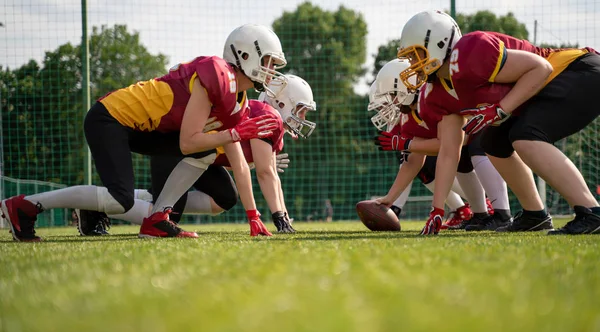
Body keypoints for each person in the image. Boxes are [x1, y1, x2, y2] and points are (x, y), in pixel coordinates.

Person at [1, 24, 285, 241]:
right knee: (119, 199)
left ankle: (157, 218)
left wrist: (253, 215)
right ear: (245, 55)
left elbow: (235, 161)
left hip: (144, 128)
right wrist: (234, 134)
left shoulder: (239, 100)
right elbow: (188, 143)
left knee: (208, 151)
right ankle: (24, 205)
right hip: (111, 117)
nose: (272, 71)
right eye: (269, 62)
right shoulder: (217, 76)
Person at [397, 10, 600, 235]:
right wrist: (436, 209)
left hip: (577, 71)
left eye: (416, 54)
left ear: (439, 42)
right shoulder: (435, 94)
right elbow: (448, 151)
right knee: (494, 143)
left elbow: (541, 68)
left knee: (525, 135)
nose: (413, 63)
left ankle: (591, 212)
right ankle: (535, 215)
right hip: (541, 92)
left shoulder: (469, 51)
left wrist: (501, 110)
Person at [76, 74, 317, 234]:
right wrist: (277, 218)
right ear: (282, 102)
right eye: (301, 110)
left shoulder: (264, 118)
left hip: (201, 155)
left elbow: (261, 171)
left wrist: (283, 215)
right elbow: (266, 174)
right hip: (181, 148)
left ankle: (113, 202)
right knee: (164, 218)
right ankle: (98, 205)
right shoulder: (266, 116)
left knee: (224, 198)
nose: (302, 118)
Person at [370, 58, 506, 230]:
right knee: (458, 162)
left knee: (475, 149)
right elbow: (412, 162)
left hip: (484, 128)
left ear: (406, 86)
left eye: (392, 95)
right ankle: (480, 214)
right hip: (463, 145)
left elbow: (447, 144)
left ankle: (501, 212)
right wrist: (390, 198)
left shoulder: (431, 100)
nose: (391, 102)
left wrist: (407, 144)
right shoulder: (408, 119)